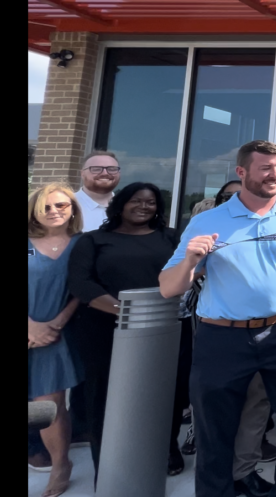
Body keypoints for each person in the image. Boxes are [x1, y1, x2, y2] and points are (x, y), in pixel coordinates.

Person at [158, 140, 276, 497]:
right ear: (241, 172)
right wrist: (191, 260)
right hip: (221, 338)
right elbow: (167, 288)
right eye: (266, 168)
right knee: (214, 428)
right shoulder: (207, 221)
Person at [68, 182, 191, 479]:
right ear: (120, 204)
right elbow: (80, 283)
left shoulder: (171, 237)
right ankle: (107, 464)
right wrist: (125, 310)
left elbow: (188, 273)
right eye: (136, 201)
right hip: (105, 330)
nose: (144, 207)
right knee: (104, 397)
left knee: (169, 392)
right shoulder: (93, 240)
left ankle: (166, 447)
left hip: (167, 327)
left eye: (151, 202)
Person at [29, 183, 83, 497]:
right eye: (46, 207)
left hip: (56, 335)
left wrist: (55, 324)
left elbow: (82, 288)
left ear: (73, 209)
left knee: (48, 404)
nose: (54, 211)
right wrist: (31, 327)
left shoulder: (81, 244)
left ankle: (60, 464)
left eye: (61, 205)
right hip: (31, 328)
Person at [77, 151, 120, 231]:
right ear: (82, 174)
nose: (105, 173)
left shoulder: (126, 206)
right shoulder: (65, 205)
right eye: (96, 169)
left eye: (112, 169)